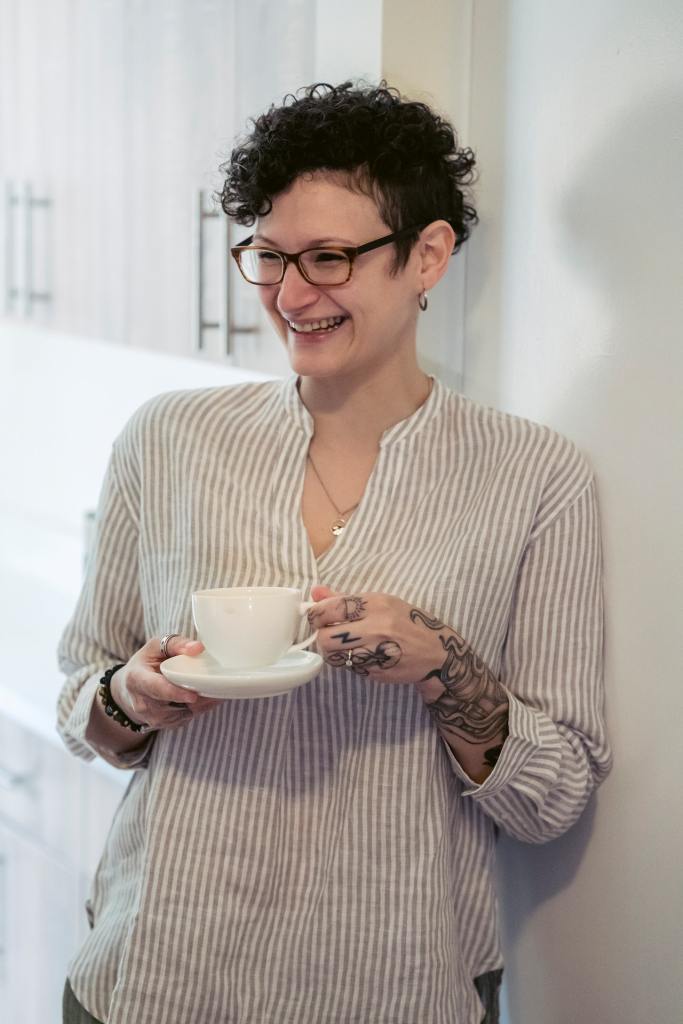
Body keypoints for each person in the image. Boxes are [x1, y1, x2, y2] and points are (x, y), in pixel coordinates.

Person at [57, 81, 612, 1024]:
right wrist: (132, 694)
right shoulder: (168, 439)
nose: (290, 295)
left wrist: (443, 664)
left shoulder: (534, 475)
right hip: (157, 976)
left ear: (426, 255)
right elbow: (84, 700)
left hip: (397, 986)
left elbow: (552, 796)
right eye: (269, 257)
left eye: (327, 258)